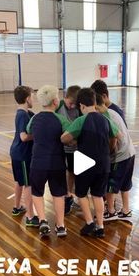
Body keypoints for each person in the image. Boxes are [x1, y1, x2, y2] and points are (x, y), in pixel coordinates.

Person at [61, 88, 120, 238]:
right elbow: (117, 135)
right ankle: (100, 226)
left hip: (85, 162)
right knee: (98, 195)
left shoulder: (81, 120)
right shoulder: (105, 119)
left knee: (81, 193)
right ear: (94, 102)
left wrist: (75, 138)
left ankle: (89, 223)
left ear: (81, 105)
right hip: (104, 162)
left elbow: (64, 138)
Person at [27, 85, 70, 238]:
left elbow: (29, 133)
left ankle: (43, 220)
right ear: (54, 101)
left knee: (37, 192)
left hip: (37, 162)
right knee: (58, 194)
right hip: (56, 162)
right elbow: (68, 136)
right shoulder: (61, 119)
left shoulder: (34, 118)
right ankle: (60, 226)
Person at [96, 94, 135, 221]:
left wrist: (108, 153)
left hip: (120, 156)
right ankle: (126, 210)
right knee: (125, 184)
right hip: (130, 152)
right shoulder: (112, 110)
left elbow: (113, 138)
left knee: (110, 185)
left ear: (96, 106)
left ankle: (111, 212)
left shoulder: (106, 117)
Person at [10, 85, 39, 227]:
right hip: (22, 154)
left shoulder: (27, 113)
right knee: (28, 184)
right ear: (27, 98)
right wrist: (37, 136)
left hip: (17, 153)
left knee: (19, 182)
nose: (33, 99)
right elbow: (23, 137)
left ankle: (17, 208)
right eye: (32, 96)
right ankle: (30, 216)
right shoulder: (22, 114)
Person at [56, 85, 80, 214]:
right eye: (70, 103)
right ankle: (62, 195)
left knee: (72, 172)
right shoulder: (58, 106)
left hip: (73, 148)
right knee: (60, 171)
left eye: (74, 105)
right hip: (60, 146)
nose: (72, 106)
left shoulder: (78, 109)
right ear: (64, 97)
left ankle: (69, 195)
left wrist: (75, 141)